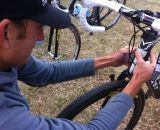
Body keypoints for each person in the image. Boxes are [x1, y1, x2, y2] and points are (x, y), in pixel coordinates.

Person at [0, 0, 156, 130]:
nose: (40, 38)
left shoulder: (7, 58)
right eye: (39, 28)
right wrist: (137, 80)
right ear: (6, 32)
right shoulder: (7, 119)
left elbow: (45, 72)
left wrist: (111, 59)